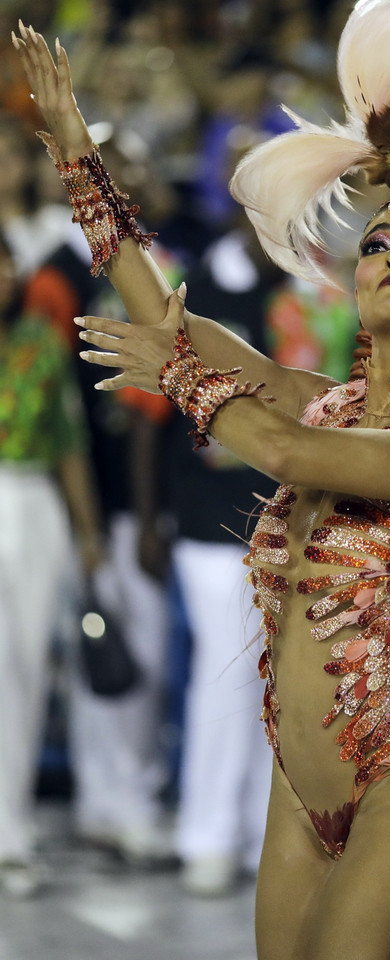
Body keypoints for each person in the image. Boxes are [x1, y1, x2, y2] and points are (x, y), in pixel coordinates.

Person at [13, 2, 390, 957]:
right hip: (299, 790)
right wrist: (73, 150)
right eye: (378, 244)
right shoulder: (314, 400)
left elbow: (283, 453)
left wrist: (183, 376)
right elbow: (171, 322)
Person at [0, 230, 102, 896]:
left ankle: (11, 831)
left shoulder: (39, 340)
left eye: (4, 263)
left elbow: (69, 436)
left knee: (25, 670)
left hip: (32, 502)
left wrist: (88, 529)